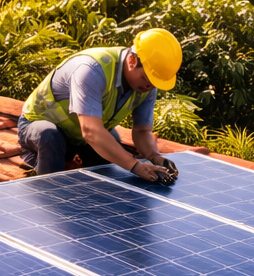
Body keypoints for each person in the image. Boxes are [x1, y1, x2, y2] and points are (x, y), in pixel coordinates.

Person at [18, 29, 182, 180]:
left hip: (81, 137)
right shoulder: (92, 70)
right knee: (50, 135)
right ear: (132, 60)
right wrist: (136, 166)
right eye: (147, 79)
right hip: (38, 129)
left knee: (112, 142)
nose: (150, 87)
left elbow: (142, 130)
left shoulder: (147, 86)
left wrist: (154, 156)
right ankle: (49, 192)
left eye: (155, 83)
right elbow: (91, 131)